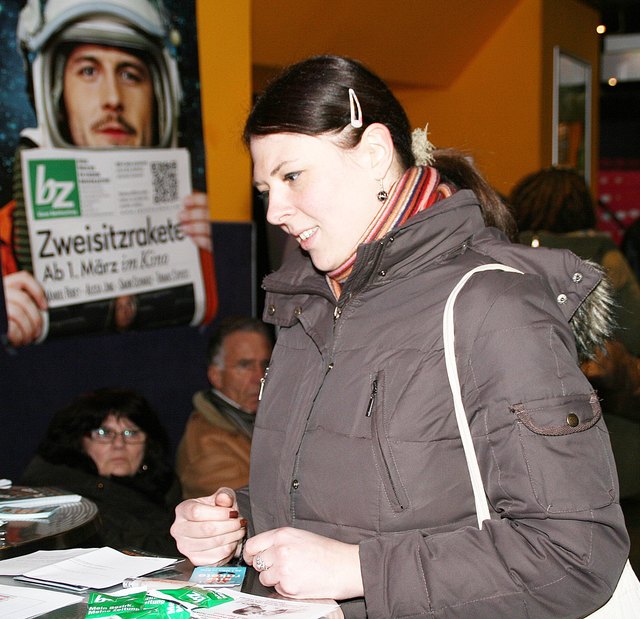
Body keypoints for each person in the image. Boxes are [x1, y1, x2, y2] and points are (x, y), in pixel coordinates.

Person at [170, 55, 629, 617]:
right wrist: (235, 523)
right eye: (266, 188)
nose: (275, 211)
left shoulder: (492, 305)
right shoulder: (307, 302)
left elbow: (575, 555)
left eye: (292, 176)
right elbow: (353, 505)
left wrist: (357, 570)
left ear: (374, 152)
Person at [1, 0, 216, 347]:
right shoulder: (5, 242)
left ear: (158, 95)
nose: (113, 98)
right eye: (88, 71)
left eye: (130, 75)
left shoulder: (201, 229)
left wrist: (214, 250)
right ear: (55, 93)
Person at [509, 166, 640, 497]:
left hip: (526, 443)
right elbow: (635, 334)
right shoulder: (606, 259)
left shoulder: (507, 258)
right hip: (611, 443)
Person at [21, 387, 182, 557]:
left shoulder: (163, 483)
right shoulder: (65, 499)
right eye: (104, 433)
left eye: (131, 433)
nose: (119, 444)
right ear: (78, 441)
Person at [176, 316, 273, 499]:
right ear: (216, 375)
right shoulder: (206, 444)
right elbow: (252, 506)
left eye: (265, 364)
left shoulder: (263, 420)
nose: (259, 377)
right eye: (245, 365)